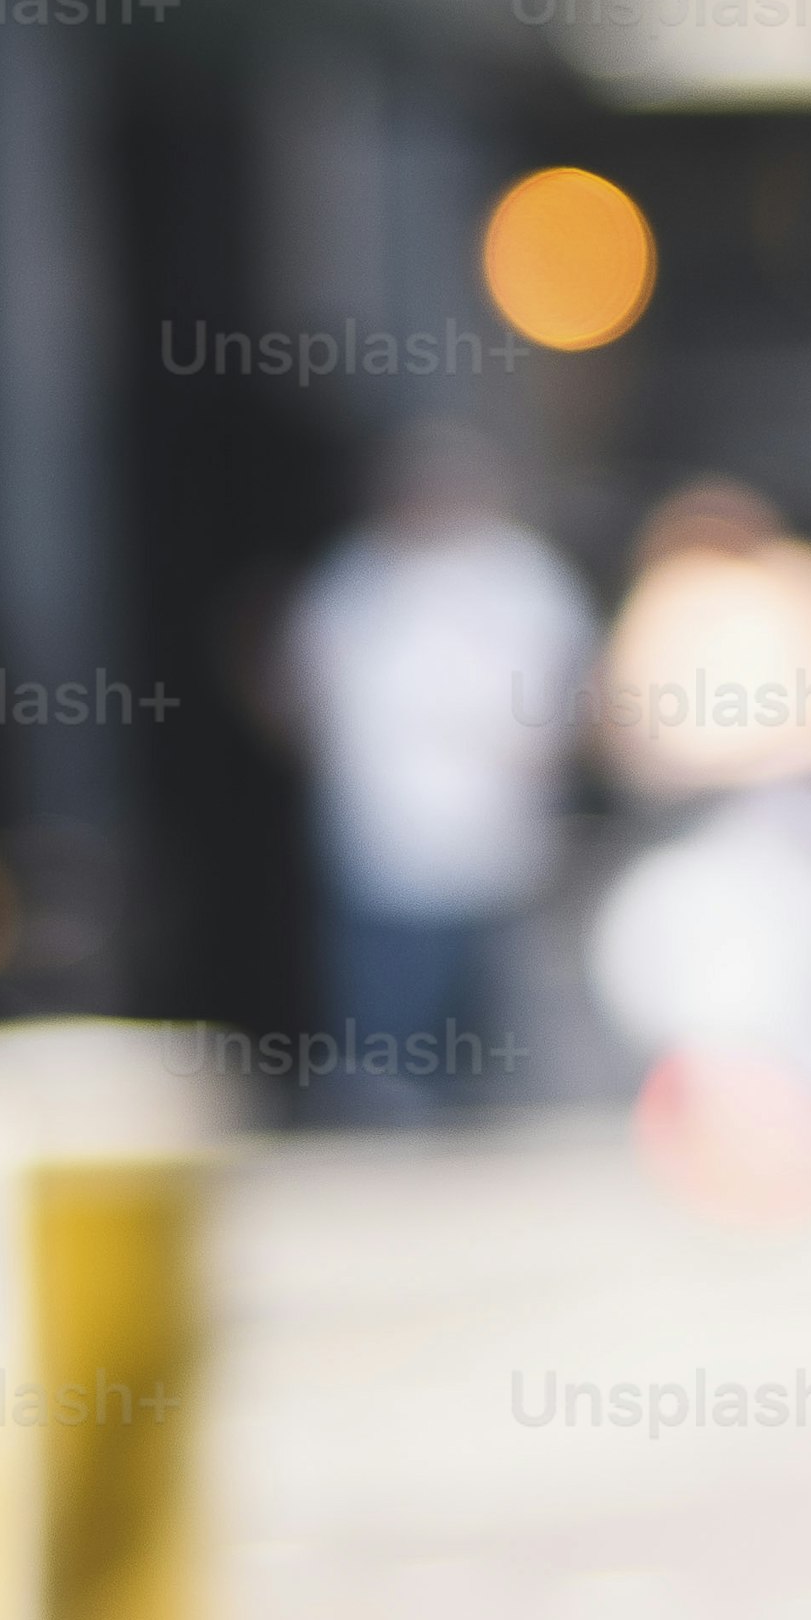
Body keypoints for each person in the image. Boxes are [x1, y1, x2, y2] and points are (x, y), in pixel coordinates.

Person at [582, 479, 811, 1225]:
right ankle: (723, 1157)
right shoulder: (668, 598)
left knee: (777, 1000)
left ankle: (789, 1160)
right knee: (704, 1000)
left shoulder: (802, 588)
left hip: (788, 814)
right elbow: (621, 720)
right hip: (696, 825)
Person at [274, 426, 592, 1122]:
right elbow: (307, 685)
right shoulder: (359, 576)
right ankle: (385, 1084)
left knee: (486, 968)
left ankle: (483, 1091)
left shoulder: (517, 575)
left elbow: (560, 684)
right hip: (385, 814)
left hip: (489, 816)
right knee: (388, 966)